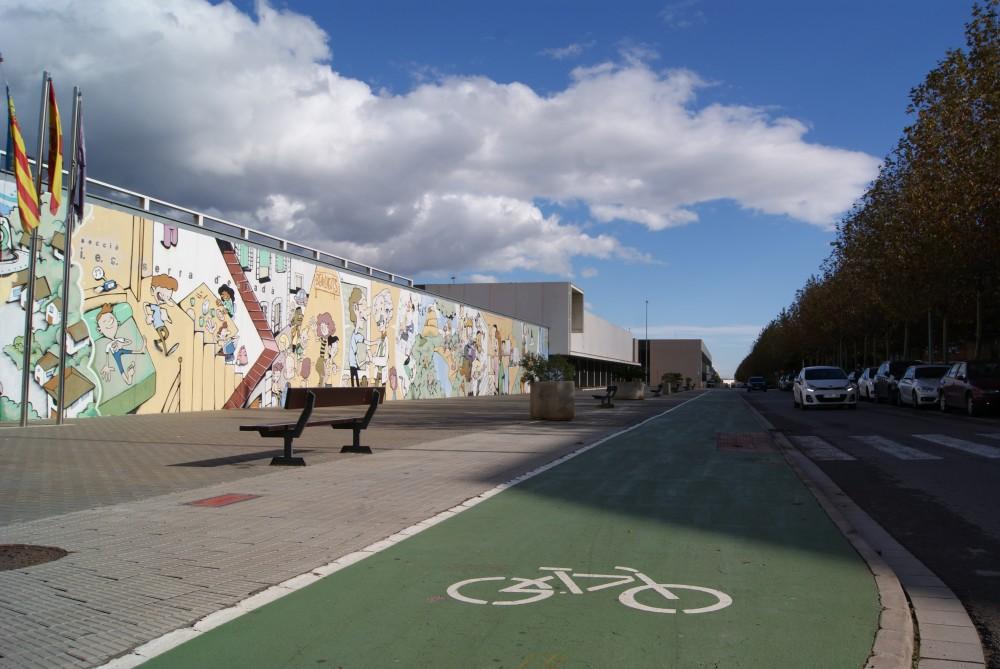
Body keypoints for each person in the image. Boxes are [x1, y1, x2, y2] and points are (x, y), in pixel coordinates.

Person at [97, 303, 143, 385]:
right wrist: (106, 366)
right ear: (100, 330)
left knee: (133, 352)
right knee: (121, 368)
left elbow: (129, 342)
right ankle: (129, 377)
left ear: (117, 323)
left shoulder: (119, 339)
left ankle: (139, 353)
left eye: (111, 320)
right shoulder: (108, 345)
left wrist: (121, 344)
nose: (109, 323)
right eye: (104, 322)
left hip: (121, 350)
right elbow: (107, 355)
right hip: (116, 355)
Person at [144, 274, 179, 356]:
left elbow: (165, 315)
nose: (164, 299)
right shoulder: (154, 306)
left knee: (167, 335)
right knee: (163, 340)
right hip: (157, 325)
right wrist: (147, 315)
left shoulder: (161, 308)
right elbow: (145, 304)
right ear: (153, 291)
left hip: (162, 324)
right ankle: (166, 352)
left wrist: (168, 319)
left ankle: (156, 342)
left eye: (168, 297)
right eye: (161, 295)